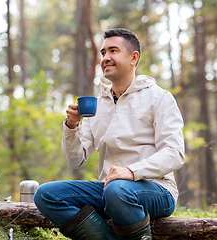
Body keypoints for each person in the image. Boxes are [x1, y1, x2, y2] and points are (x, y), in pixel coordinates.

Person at [34, 28, 185, 240]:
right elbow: (75, 160)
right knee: (46, 194)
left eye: (113, 51)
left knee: (117, 190)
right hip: (110, 190)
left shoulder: (159, 98)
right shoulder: (98, 104)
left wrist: (131, 171)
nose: (106, 58)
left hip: (157, 189)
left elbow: (174, 153)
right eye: (103, 53)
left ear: (134, 58)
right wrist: (71, 126)